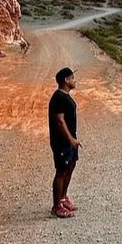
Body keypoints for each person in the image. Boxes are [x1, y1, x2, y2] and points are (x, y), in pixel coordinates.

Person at [48, 67, 80, 218]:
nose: (75, 80)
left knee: (70, 167)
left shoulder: (65, 96)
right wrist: (70, 139)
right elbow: (60, 121)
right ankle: (56, 207)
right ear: (66, 80)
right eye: (72, 78)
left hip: (69, 141)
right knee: (61, 171)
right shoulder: (59, 98)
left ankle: (63, 197)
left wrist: (73, 140)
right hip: (62, 142)